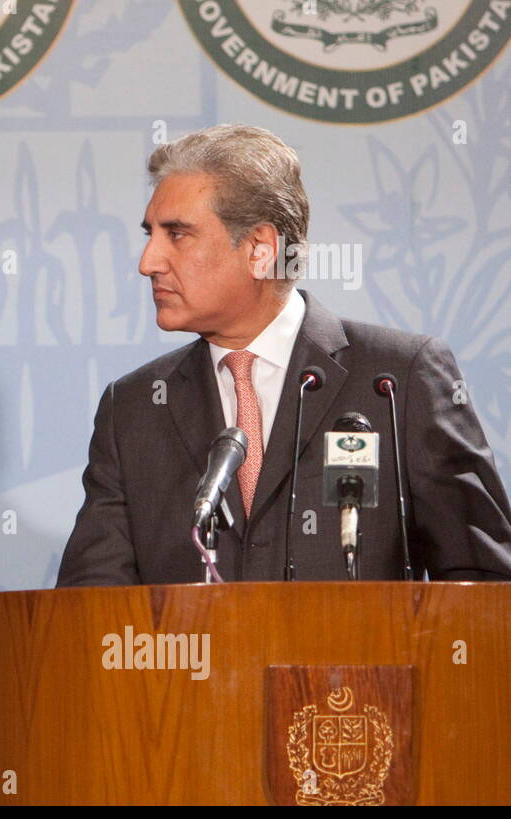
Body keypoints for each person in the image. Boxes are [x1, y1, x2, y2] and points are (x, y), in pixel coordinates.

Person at [58, 124, 511, 586]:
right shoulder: (134, 406)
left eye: (177, 234)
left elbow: (486, 588)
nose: (148, 261)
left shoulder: (399, 379)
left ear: (261, 250)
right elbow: (89, 604)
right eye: (150, 233)